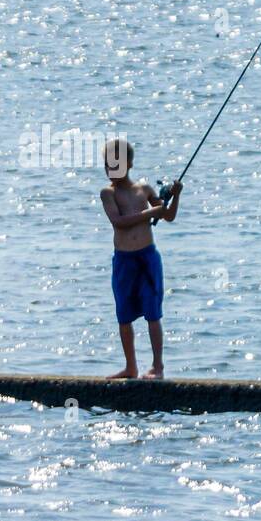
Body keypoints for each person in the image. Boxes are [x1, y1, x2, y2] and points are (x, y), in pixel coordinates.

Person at [98, 138, 181, 379]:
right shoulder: (107, 193)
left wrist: (174, 196)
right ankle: (131, 367)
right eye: (107, 164)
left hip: (147, 258)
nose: (111, 169)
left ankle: (158, 366)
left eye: (116, 163)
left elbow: (168, 216)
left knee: (153, 312)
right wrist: (150, 213)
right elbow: (119, 222)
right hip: (124, 260)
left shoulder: (144, 190)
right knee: (124, 315)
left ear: (130, 163)